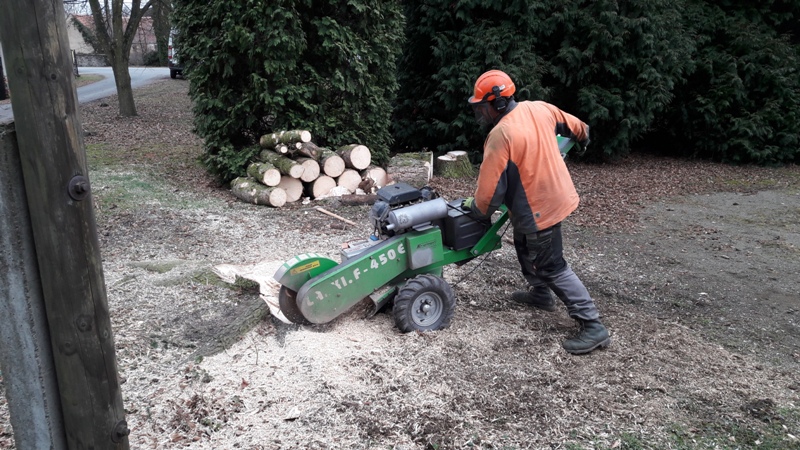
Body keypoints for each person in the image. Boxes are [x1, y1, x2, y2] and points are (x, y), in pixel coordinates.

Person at [461, 69, 611, 355]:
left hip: (540, 207)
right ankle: (541, 293)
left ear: (499, 103)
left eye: (483, 107)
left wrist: (478, 211)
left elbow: (489, 193)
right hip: (554, 195)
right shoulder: (539, 108)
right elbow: (579, 127)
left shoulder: (501, 134)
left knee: (551, 264)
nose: (481, 113)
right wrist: (583, 140)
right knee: (522, 241)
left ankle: (593, 325)